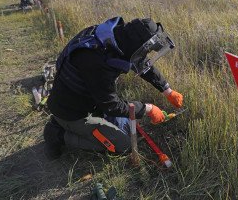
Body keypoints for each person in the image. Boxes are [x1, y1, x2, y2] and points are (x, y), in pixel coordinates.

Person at [43, 17, 184, 160]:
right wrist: (148, 108)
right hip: (72, 113)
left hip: (89, 102)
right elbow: (111, 105)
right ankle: (57, 133)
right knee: (124, 145)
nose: (144, 55)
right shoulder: (95, 59)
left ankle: (72, 126)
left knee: (127, 127)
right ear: (135, 46)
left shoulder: (117, 39)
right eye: (144, 51)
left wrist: (167, 90)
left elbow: (141, 64)